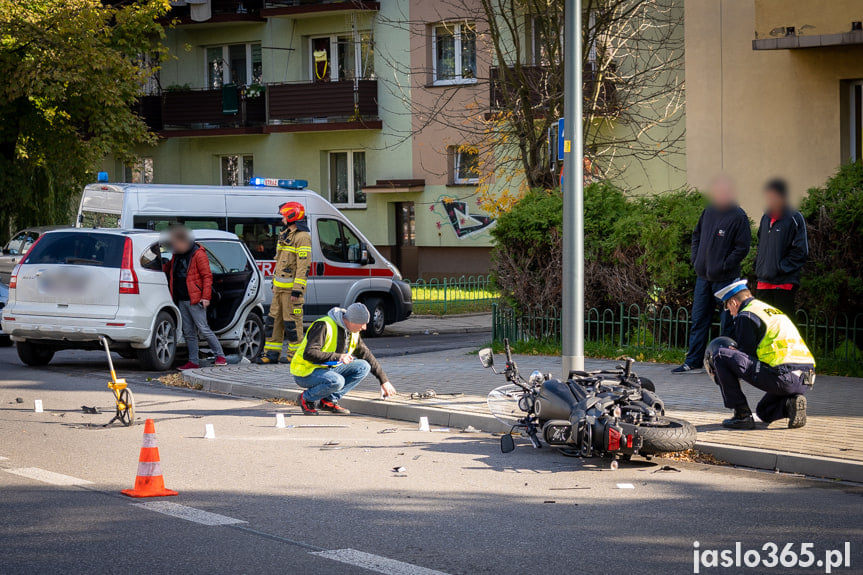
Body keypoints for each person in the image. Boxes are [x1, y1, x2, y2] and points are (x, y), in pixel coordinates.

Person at [705, 280, 815, 430]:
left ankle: (741, 415)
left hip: (783, 375)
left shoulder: (746, 315)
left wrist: (725, 366)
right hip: (806, 378)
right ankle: (791, 404)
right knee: (764, 412)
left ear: (733, 302)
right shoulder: (768, 310)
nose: (729, 312)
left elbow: (745, 355)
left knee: (720, 355)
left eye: (727, 307)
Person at [673, 176, 751, 374]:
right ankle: (693, 362)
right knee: (699, 320)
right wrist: (696, 260)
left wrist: (724, 266)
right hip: (703, 278)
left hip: (726, 279)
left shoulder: (738, 216)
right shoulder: (708, 212)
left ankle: (727, 365)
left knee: (728, 323)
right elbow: (696, 237)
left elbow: (742, 248)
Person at [290, 303, 397, 415]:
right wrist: (339, 357)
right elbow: (309, 353)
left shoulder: (352, 332)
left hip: (326, 370)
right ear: (351, 321)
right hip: (306, 372)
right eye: (362, 324)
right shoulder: (324, 325)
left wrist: (384, 380)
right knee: (337, 381)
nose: (364, 327)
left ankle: (328, 400)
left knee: (363, 366)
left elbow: (367, 355)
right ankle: (306, 398)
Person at [164, 226, 226, 370]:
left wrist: (205, 297)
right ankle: (193, 361)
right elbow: (168, 269)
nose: (173, 246)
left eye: (175, 243)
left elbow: (207, 276)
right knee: (188, 332)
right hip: (181, 298)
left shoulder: (198, 254)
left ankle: (220, 356)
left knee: (203, 328)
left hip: (195, 298)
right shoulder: (177, 254)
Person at [257, 202, 312, 364]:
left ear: (291, 216)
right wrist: (275, 283)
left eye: (284, 216)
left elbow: (303, 266)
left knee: (292, 324)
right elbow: (280, 261)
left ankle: (295, 355)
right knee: (273, 322)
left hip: (291, 292)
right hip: (280, 289)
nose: (282, 219)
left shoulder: (302, 237)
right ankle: (271, 354)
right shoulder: (286, 234)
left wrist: (297, 290)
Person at [754, 178, 808, 317]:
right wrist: (759, 267)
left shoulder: (794, 218)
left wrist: (780, 267)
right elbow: (760, 244)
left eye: (773, 196)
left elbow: (801, 251)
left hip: (783, 283)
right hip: (763, 282)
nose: (770, 200)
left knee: (784, 324)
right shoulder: (765, 218)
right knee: (764, 325)